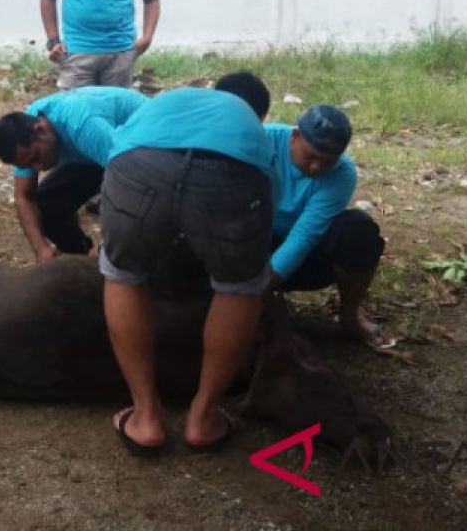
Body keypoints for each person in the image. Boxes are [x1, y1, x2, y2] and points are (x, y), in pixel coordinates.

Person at [98, 87, 276, 456]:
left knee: (123, 273)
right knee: (238, 286)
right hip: (232, 168)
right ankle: (204, 418)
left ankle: (145, 418)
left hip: (139, 162)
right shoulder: (249, 122)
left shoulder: (164, 102)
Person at [264, 104, 393, 349]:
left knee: (359, 232)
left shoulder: (343, 173)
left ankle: (349, 316)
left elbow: (304, 236)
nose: (316, 168)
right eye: (310, 157)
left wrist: (259, 287)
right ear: (295, 137)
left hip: (302, 256)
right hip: (250, 242)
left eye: (327, 162)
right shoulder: (262, 140)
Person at [0, 86, 147, 263]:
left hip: (142, 147)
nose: (39, 167)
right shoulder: (26, 133)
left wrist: (105, 244)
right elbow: (24, 197)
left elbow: (132, 184)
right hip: (95, 154)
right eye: (29, 165)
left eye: (36, 158)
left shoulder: (84, 126)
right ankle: (83, 262)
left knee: (141, 213)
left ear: (41, 130)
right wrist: (41, 249)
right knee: (47, 206)